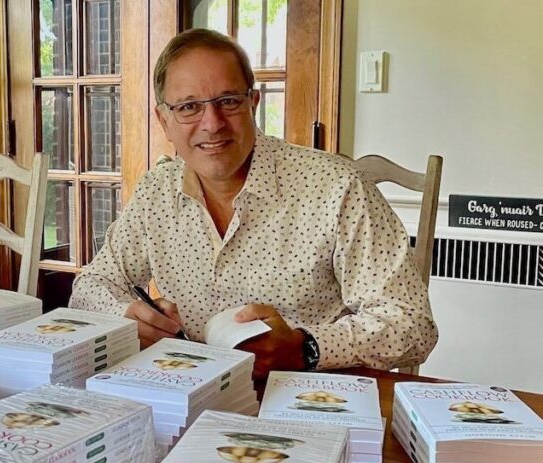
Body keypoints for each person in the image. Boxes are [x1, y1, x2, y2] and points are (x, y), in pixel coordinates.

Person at [69, 28, 437, 379]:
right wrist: (127, 317)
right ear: (164, 121)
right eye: (189, 107)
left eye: (228, 101)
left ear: (253, 104)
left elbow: (411, 322)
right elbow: (91, 286)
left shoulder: (338, 188)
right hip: (185, 391)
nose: (212, 124)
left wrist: (306, 348)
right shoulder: (156, 191)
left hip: (306, 397)